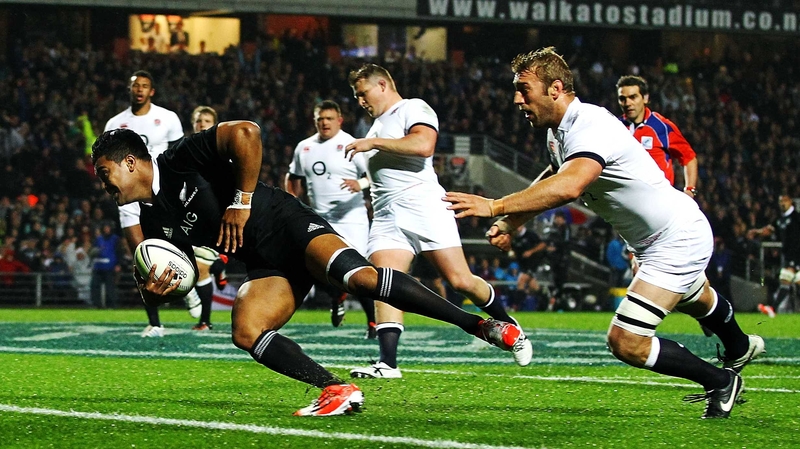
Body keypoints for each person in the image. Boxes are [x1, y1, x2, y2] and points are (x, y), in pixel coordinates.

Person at [91, 122, 525, 417]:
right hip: (264, 264)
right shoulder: (152, 222)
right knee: (245, 330)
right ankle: (336, 389)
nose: (104, 185)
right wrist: (156, 288)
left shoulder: (179, 159)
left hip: (287, 223)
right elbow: (172, 273)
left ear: (130, 162)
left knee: (360, 279)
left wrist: (240, 203)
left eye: (105, 172)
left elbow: (246, 132)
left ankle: (478, 326)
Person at [444, 47, 764, 419]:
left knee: (626, 341)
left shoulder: (589, 123)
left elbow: (570, 187)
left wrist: (496, 206)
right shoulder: (557, 134)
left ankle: (720, 381)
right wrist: (513, 222)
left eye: (524, 89)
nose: (517, 99)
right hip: (653, 239)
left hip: (676, 236)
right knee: (696, 299)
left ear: (556, 88)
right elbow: (554, 176)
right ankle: (739, 346)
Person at [345, 63, 533, 378]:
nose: (361, 101)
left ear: (382, 85)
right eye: (356, 96)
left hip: (423, 206)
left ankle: (511, 327)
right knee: (384, 283)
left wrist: (372, 143)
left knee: (460, 281)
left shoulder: (412, 108)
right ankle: (387, 363)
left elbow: (423, 145)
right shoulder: (374, 128)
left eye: (363, 94)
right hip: (386, 213)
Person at [104, 70, 192, 337]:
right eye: (135, 86)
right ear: (129, 90)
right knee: (141, 257)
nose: (139, 90)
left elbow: (180, 156)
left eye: (144, 86)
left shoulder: (167, 118)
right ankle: (155, 322)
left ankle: (193, 286)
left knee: (179, 244)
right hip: (129, 199)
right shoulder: (115, 123)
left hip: (161, 192)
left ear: (151, 91)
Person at [285, 100, 377, 338]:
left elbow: (373, 175)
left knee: (361, 270)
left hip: (351, 217)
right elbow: (293, 176)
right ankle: (337, 297)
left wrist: (361, 184)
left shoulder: (350, 144)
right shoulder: (304, 147)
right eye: (320, 119)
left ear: (339, 120)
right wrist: (292, 201)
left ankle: (373, 324)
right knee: (318, 267)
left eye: (328, 118)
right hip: (321, 218)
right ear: (315, 121)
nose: (324, 123)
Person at [616, 75, 698, 198]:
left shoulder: (662, 127)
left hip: (659, 201)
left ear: (645, 98)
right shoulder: (615, 128)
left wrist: (690, 190)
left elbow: (689, 158)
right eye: (623, 99)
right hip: (626, 201)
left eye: (633, 97)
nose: (628, 103)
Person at [189, 105, 229, 331]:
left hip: (215, 219)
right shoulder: (184, 154)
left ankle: (205, 320)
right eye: (198, 120)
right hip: (190, 218)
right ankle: (218, 267)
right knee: (194, 267)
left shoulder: (222, 153)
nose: (201, 124)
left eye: (206, 120)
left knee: (199, 267)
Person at [747, 194, 800, 316]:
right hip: (789, 254)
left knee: (786, 277)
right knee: (795, 280)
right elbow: (769, 229)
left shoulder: (796, 217)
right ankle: (773, 309)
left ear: (790, 202)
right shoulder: (780, 219)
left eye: (785, 201)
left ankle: (773, 309)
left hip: (796, 254)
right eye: (780, 201)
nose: (782, 204)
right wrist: (757, 232)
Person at [90, 222, 121, 308]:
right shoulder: (98, 239)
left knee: (110, 288)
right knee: (95, 286)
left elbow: (119, 252)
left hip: (109, 267)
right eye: (105, 227)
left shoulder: (115, 239)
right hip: (98, 266)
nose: (106, 229)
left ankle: (111, 304)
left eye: (108, 227)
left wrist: (118, 264)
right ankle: (96, 304)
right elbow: (92, 251)